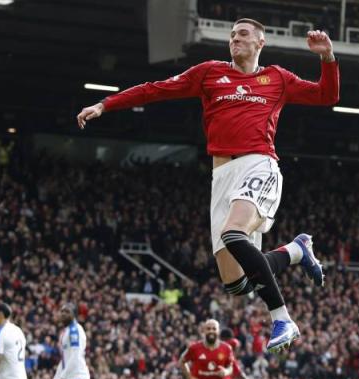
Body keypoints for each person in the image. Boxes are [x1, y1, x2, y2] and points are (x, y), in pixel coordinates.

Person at [76, 18, 341, 353]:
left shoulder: (277, 78)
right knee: (237, 284)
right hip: (222, 176)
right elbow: (156, 89)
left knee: (234, 234)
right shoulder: (209, 73)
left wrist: (327, 57)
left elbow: (327, 95)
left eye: (243, 34)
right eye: (232, 35)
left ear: (260, 42)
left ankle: (282, 318)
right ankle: (296, 251)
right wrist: (105, 104)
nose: (235, 39)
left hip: (258, 164)